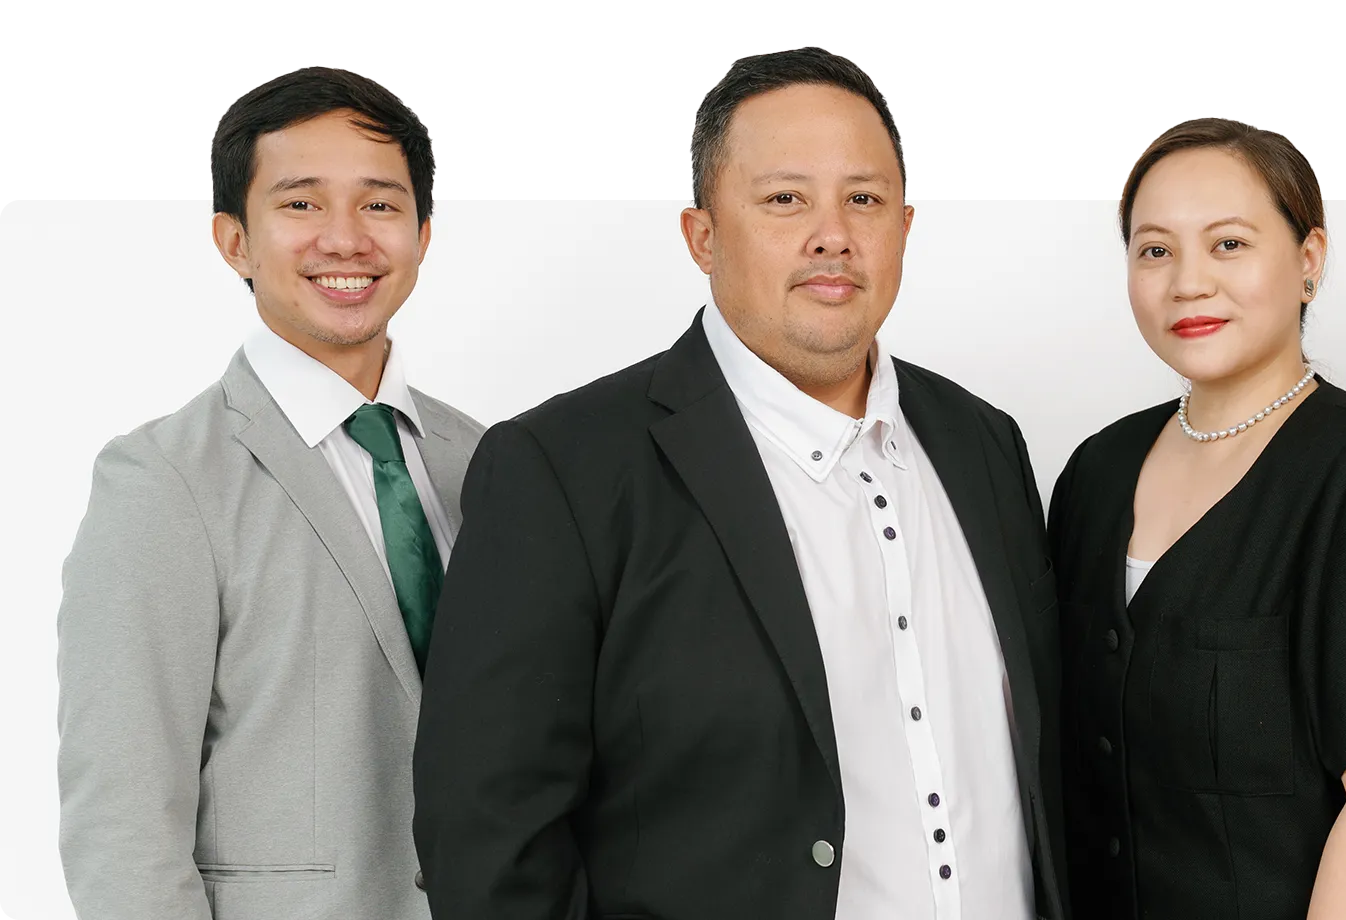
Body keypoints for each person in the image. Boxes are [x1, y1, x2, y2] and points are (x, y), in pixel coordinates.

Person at [412, 46, 1067, 920]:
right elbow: (488, 841)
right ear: (703, 236)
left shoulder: (983, 443)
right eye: (785, 199)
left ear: (905, 227)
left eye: (864, 199)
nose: (832, 235)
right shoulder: (560, 470)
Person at [56, 65, 480, 920]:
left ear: (423, 235)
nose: (345, 239)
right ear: (234, 241)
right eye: (301, 203)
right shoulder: (163, 481)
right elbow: (122, 828)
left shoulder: (483, 460)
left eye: (380, 203)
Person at [1048, 115, 1346, 920]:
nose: (1188, 283)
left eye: (1228, 244)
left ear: (1308, 260)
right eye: (1155, 250)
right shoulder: (1094, 475)